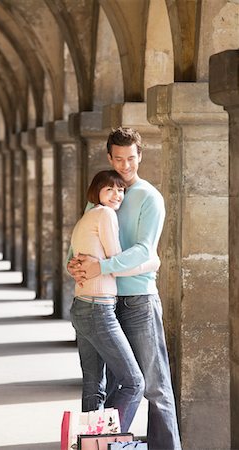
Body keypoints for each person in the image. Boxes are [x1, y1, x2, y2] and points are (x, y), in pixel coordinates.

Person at [68, 128, 182, 450]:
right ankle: (105, 444)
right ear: (109, 158)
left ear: (140, 156)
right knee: (107, 382)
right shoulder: (103, 195)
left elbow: (146, 251)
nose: (125, 165)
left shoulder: (150, 198)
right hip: (105, 301)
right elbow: (78, 243)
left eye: (131, 158)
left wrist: (101, 267)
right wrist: (73, 264)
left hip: (139, 301)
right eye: (118, 159)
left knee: (155, 388)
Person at [69, 169, 160, 433]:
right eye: (109, 189)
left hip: (81, 305)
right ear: (96, 191)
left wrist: (100, 266)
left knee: (93, 385)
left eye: (120, 190)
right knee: (134, 382)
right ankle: (108, 440)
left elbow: (86, 261)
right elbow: (115, 261)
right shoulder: (106, 214)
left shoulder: (86, 217)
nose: (117, 194)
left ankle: (89, 443)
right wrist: (152, 261)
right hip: (98, 309)